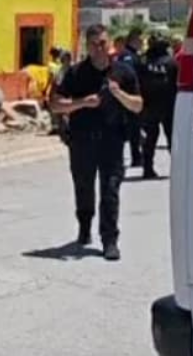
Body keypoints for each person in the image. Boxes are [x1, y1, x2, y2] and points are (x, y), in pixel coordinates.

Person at [49, 24, 142, 261]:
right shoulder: (75, 73)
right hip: (82, 141)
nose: (99, 49)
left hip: (112, 141)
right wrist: (82, 103)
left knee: (110, 190)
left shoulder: (123, 72)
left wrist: (119, 93)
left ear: (109, 43)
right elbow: (56, 104)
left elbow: (138, 105)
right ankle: (84, 225)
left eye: (103, 43)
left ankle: (110, 239)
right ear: (87, 47)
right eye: (93, 44)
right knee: (84, 187)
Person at [139, 33, 178, 179]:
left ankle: (147, 168)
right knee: (172, 139)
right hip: (168, 106)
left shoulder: (143, 62)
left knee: (149, 139)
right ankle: (177, 169)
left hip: (149, 106)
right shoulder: (172, 62)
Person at [116, 27, 145, 169]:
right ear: (134, 40)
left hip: (131, 95)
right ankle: (134, 156)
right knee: (132, 128)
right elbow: (128, 75)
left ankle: (136, 156)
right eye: (140, 40)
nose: (142, 43)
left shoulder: (133, 54)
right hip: (129, 95)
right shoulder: (127, 56)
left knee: (134, 128)